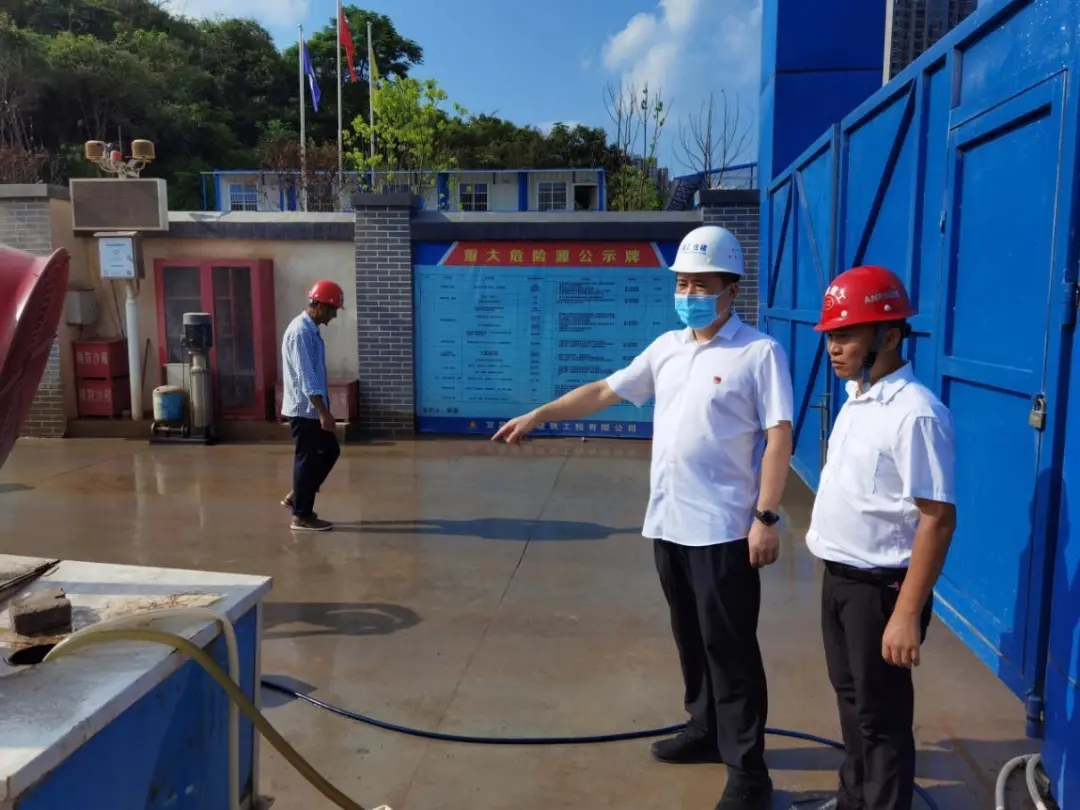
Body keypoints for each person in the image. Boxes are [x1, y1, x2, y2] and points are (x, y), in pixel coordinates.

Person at [494, 225, 794, 810]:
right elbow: (604, 391)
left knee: (730, 651)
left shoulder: (758, 353)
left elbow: (779, 435)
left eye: (701, 284)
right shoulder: (667, 348)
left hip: (724, 532)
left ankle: (748, 773)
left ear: (730, 288)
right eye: (682, 283)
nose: (689, 294)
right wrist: (540, 413)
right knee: (691, 639)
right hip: (669, 525)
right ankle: (704, 730)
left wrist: (766, 516)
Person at [802, 265, 957, 810]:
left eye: (847, 335)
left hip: (882, 591)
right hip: (841, 581)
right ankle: (854, 800)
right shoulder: (857, 397)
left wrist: (906, 614)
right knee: (852, 702)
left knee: (881, 717)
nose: (834, 347)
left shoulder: (915, 414)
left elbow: (937, 519)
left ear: (889, 337)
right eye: (831, 335)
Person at [280, 279, 344, 532]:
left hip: (312, 408)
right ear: (319, 305)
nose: (333, 316)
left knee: (330, 451)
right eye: (332, 310)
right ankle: (301, 515)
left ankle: (299, 496)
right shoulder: (301, 332)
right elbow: (307, 377)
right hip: (304, 410)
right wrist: (323, 412)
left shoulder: (310, 330)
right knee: (307, 459)